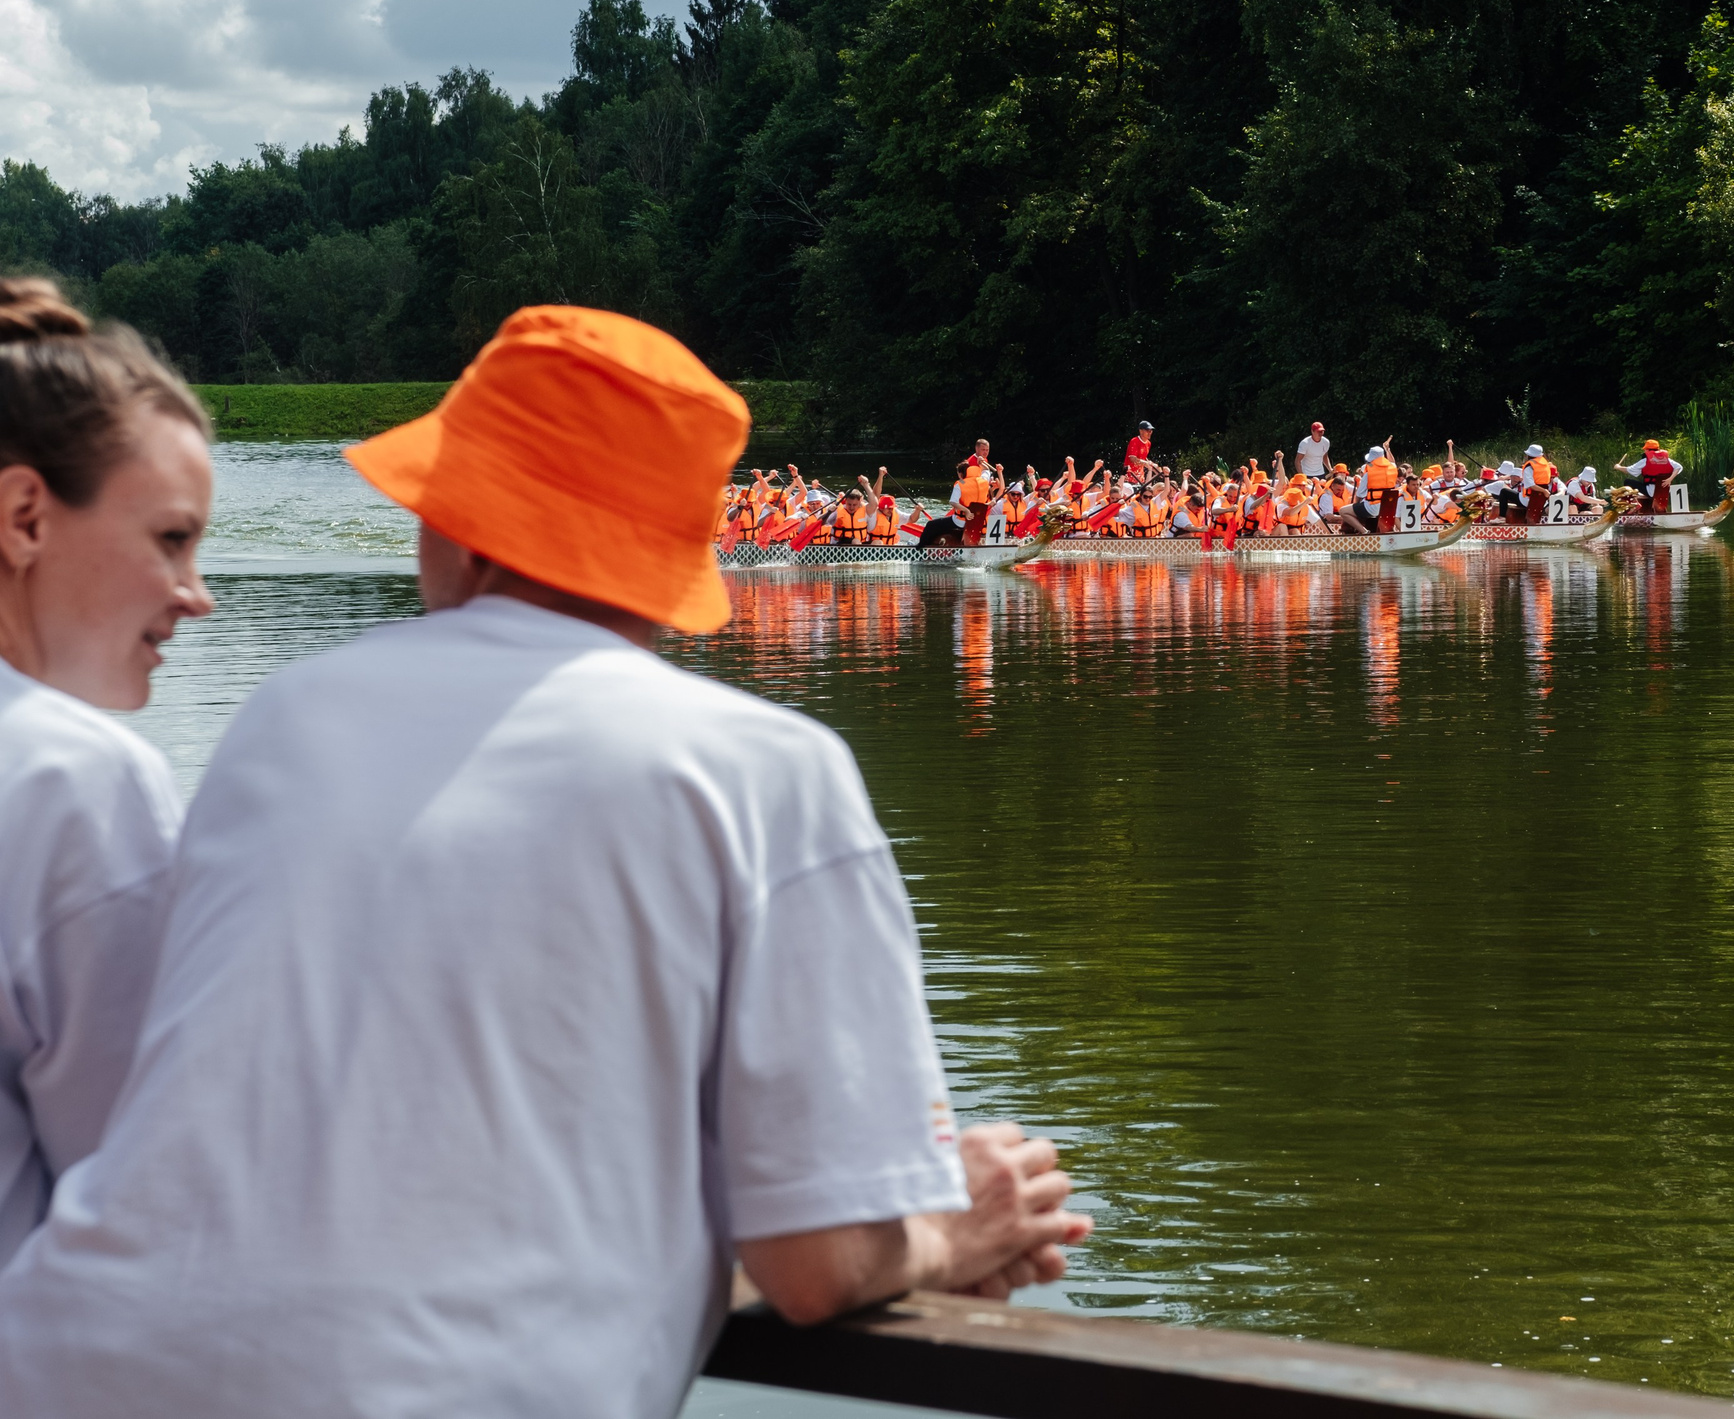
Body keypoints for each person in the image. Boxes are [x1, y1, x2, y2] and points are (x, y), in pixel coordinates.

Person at [0, 306, 1091, 1417]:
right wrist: (956, 1223)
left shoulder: (285, 718)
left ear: (467, 535)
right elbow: (817, 1262)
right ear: (660, 565)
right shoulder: (770, 771)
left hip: (64, 1366)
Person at [0, 278, 214, 1272]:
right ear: (25, 518)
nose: (196, 597)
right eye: (171, 539)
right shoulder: (76, 782)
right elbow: (142, 1194)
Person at [1616, 438, 1684, 512]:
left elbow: (1628, 470)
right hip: (1664, 492)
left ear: (1648, 450)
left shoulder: (1645, 460)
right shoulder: (1667, 460)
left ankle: (1634, 503)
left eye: (1645, 449)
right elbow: (1679, 467)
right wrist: (1670, 479)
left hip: (1651, 492)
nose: (1644, 451)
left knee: (1627, 482)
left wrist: (1618, 467)